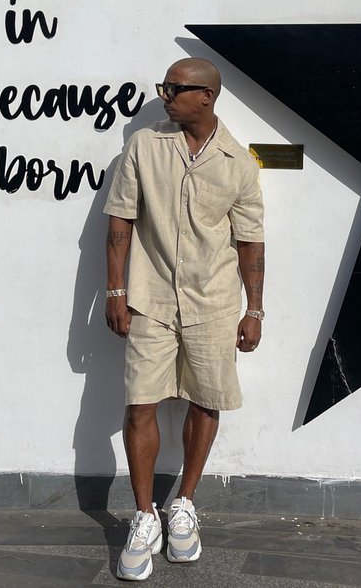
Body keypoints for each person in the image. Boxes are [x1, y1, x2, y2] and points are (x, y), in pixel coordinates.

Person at [103, 57, 266, 581]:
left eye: (174, 88)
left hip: (213, 302)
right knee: (139, 403)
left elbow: (250, 242)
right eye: (164, 87)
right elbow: (120, 220)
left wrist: (254, 309)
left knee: (206, 399)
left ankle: (185, 504)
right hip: (149, 298)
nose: (165, 96)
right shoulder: (144, 146)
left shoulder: (238, 162)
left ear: (206, 96)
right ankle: (144, 516)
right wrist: (116, 290)